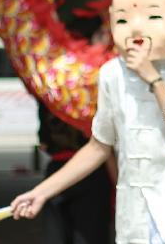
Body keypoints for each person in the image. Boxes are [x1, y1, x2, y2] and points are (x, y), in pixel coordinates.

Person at [12, 0, 165, 244]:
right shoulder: (111, 75)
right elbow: (98, 146)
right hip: (133, 224)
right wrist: (42, 192)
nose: (136, 29)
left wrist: (153, 78)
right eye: (123, 19)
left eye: (153, 17)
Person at [37, 104, 112, 244]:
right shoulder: (94, 93)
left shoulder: (49, 94)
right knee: (91, 234)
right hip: (93, 172)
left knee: (56, 234)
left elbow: (43, 143)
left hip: (58, 170)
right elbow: (104, 145)